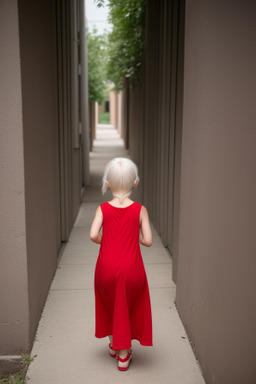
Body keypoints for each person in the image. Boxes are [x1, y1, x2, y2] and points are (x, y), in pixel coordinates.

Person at [90, 157, 153, 371]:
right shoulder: (140, 210)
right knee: (128, 304)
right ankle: (124, 355)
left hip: (105, 267)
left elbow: (92, 235)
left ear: (107, 184)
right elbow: (148, 241)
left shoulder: (102, 209)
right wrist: (134, 240)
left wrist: (105, 240)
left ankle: (113, 345)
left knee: (109, 303)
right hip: (132, 268)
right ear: (135, 183)